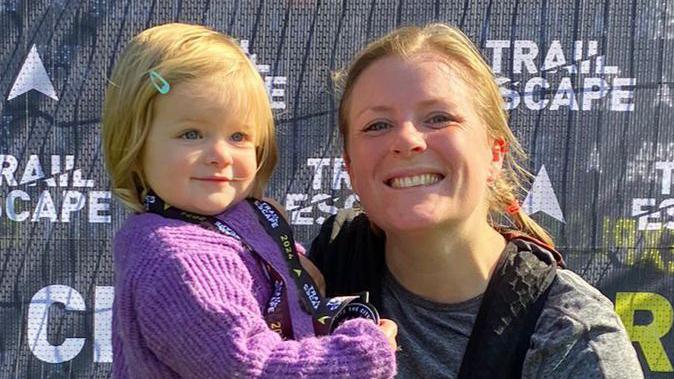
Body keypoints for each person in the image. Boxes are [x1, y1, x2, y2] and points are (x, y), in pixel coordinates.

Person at [309, 23, 643, 378]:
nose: (407, 140)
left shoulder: (570, 339)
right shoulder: (315, 274)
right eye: (377, 125)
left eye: (438, 118)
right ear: (350, 168)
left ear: (494, 153)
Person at [102, 23, 397, 378]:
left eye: (239, 136)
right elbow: (250, 366)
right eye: (191, 134)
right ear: (134, 146)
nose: (220, 155)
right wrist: (360, 354)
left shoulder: (233, 221)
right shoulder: (177, 260)